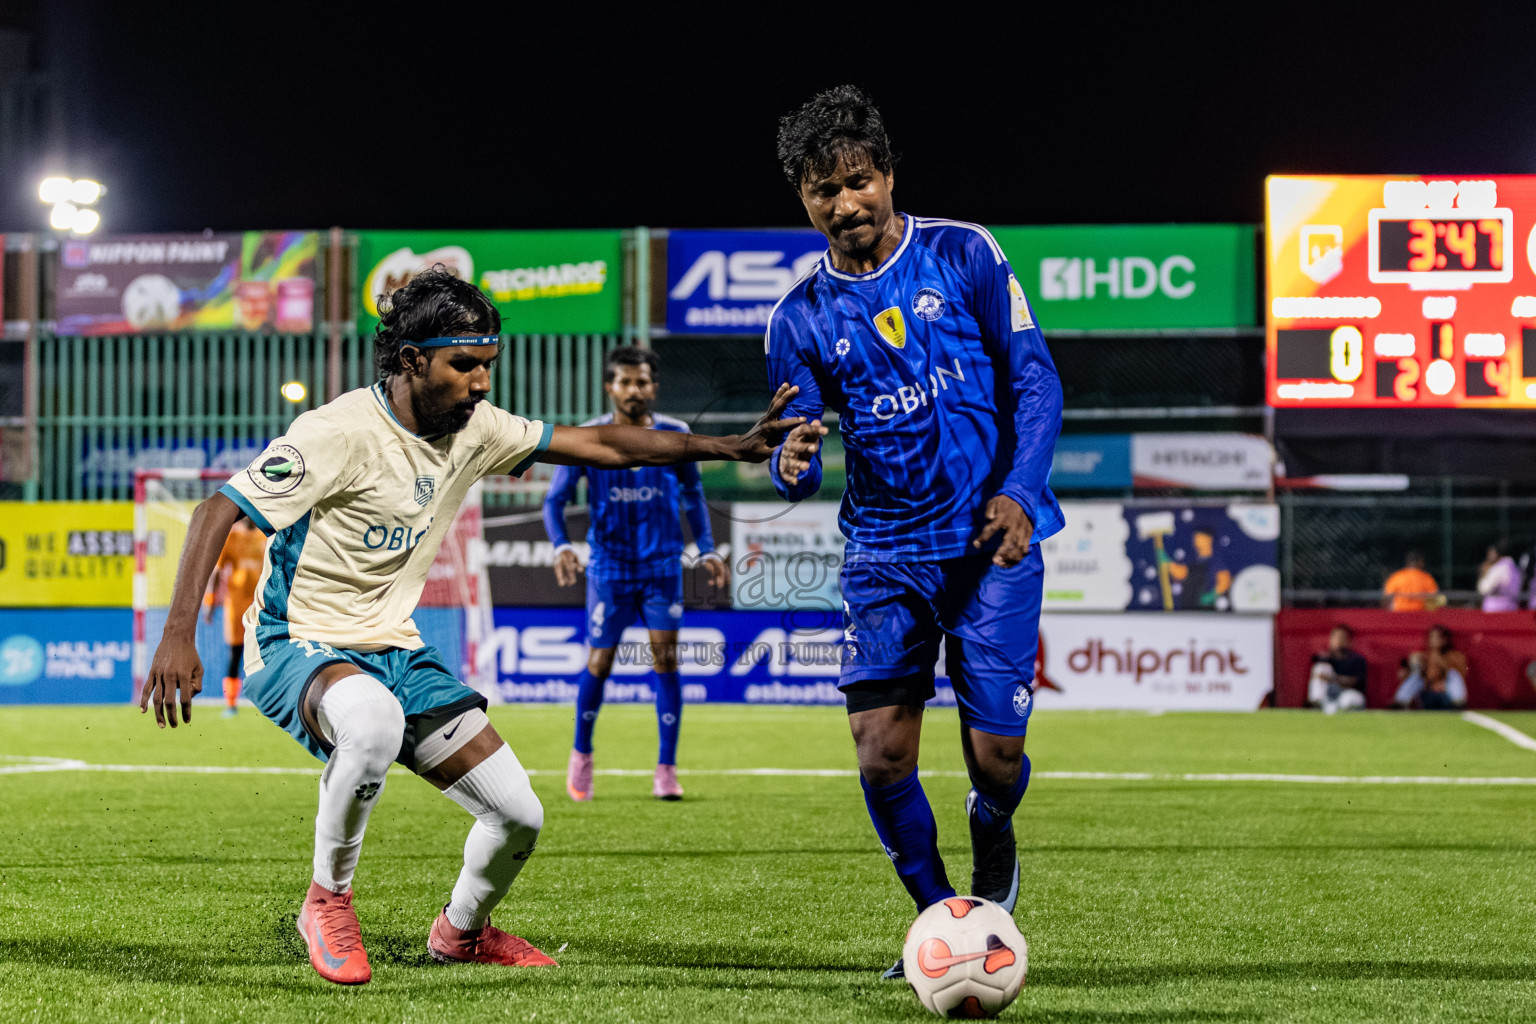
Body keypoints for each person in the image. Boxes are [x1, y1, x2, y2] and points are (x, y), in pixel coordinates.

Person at [141, 270, 801, 986]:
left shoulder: (477, 428)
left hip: (397, 648)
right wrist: (179, 633)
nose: (482, 381)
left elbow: (603, 445)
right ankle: (327, 901)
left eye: (489, 363)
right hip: (300, 641)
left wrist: (733, 447)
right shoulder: (336, 431)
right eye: (465, 364)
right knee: (371, 724)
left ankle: (461, 932)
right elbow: (217, 509)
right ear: (411, 359)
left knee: (518, 816)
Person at [766, 86, 1064, 979]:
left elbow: (1037, 383)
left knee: (995, 760)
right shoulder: (797, 318)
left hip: (989, 543)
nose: (845, 204)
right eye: (823, 192)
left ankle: (993, 830)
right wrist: (794, 461)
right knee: (883, 751)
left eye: (858, 181)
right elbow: (802, 447)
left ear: (888, 175)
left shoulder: (963, 253)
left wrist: (1017, 491)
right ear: (804, 202)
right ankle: (942, 921)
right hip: (884, 553)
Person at [543, 345, 729, 802]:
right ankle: (581, 755)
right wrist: (562, 545)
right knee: (599, 662)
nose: (634, 389)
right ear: (610, 387)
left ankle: (666, 768)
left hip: (662, 568)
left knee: (665, 661)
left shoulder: (675, 434)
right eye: (625, 381)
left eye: (642, 381)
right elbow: (554, 501)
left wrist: (706, 549)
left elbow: (692, 496)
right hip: (609, 568)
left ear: (653, 386)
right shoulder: (589, 436)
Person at [202, 516, 265, 716]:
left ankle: (269, 703)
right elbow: (218, 571)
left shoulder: (267, 533)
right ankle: (230, 704)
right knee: (235, 652)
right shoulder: (231, 536)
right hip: (236, 604)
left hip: (263, 604)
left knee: (267, 653)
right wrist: (211, 602)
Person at [1393, 624, 1469, 709]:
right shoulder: (1422, 657)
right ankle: (1400, 703)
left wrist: (1442, 683)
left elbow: (1460, 676)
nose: (1433, 640)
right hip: (1427, 694)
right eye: (1431, 637)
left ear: (1444, 639)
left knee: (1453, 674)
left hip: (1446, 696)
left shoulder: (1455, 656)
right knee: (1416, 676)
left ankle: (1458, 703)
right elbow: (1410, 677)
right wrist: (1409, 671)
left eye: (1437, 637)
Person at [1307, 624, 1368, 714]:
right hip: (1329, 695)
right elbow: (1317, 676)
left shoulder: (1357, 660)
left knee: (1350, 700)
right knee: (1320, 668)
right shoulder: (1325, 658)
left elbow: (1355, 681)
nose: (1339, 641)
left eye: (1342, 638)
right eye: (1336, 638)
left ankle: (1334, 710)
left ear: (1350, 641)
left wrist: (1333, 679)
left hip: (1348, 693)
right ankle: (1317, 703)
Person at [1477, 542, 1522, 612]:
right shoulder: (1516, 569)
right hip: (1512, 607)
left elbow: (1484, 589)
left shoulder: (1498, 568)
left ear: (1499, 553)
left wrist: (1483, 575)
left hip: (1495, 609)